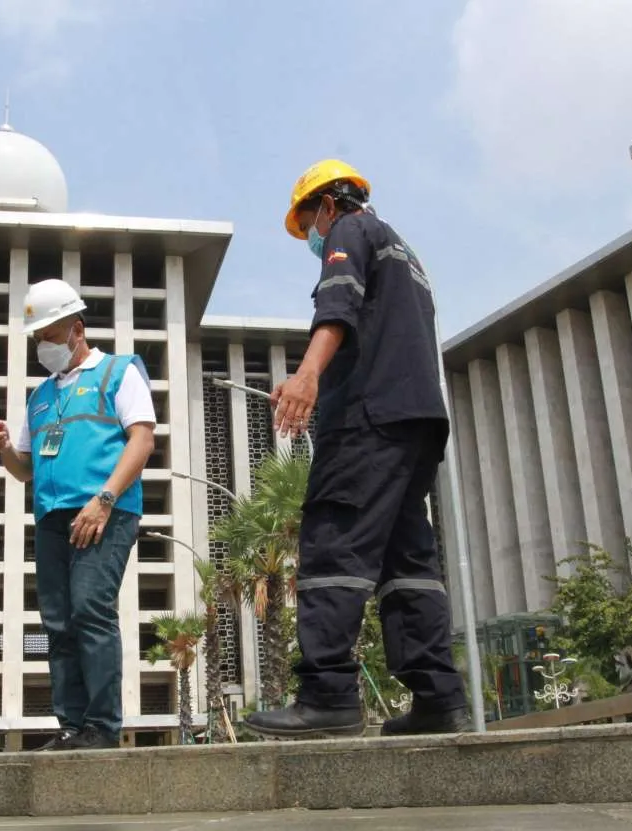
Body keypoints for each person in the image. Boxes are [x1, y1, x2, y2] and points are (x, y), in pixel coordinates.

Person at [243, 160, 469, 739]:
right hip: (416, 421)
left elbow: (336, 306)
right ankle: (438, 698)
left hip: (368, 419)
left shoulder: (347, 232)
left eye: (306, 221)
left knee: (333, 540)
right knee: (406, 558)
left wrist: (307, 376)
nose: (311, 235)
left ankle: (328, 694)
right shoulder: (406, 253)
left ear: (326, 204)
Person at [0, 278, 155, 751]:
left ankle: (102, 727)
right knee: (58, 620)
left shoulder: (118, 371)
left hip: (104, 511)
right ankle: (73, 726)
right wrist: (4, 448)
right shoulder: (40, 396)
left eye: (49, 335)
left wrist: (106, 499)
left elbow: (142, 440)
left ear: (77, 328)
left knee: (91, 608)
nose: (42, 346)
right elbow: (25, 470)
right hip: (52, 518)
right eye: (37, 338)